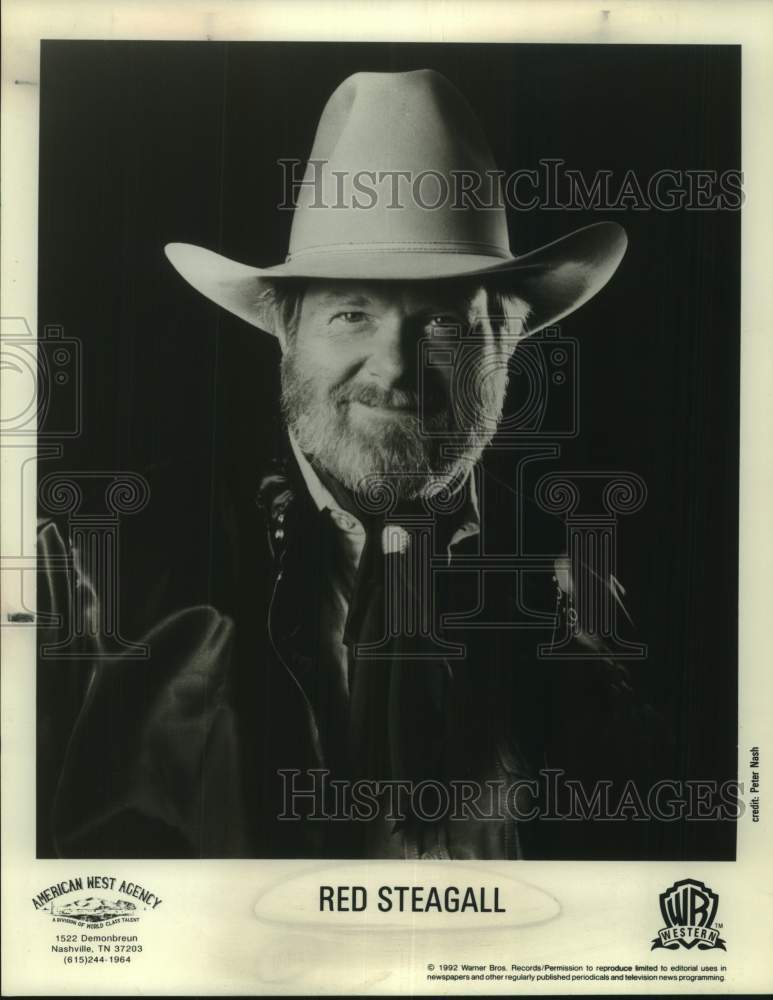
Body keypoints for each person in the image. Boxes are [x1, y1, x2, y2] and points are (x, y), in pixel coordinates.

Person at [37, 69, 658, 860]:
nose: (393, 368)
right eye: (352, 313)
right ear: (286, 337)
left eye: (442, 324)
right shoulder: (94, 569)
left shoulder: (584, 581)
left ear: (508, 344)